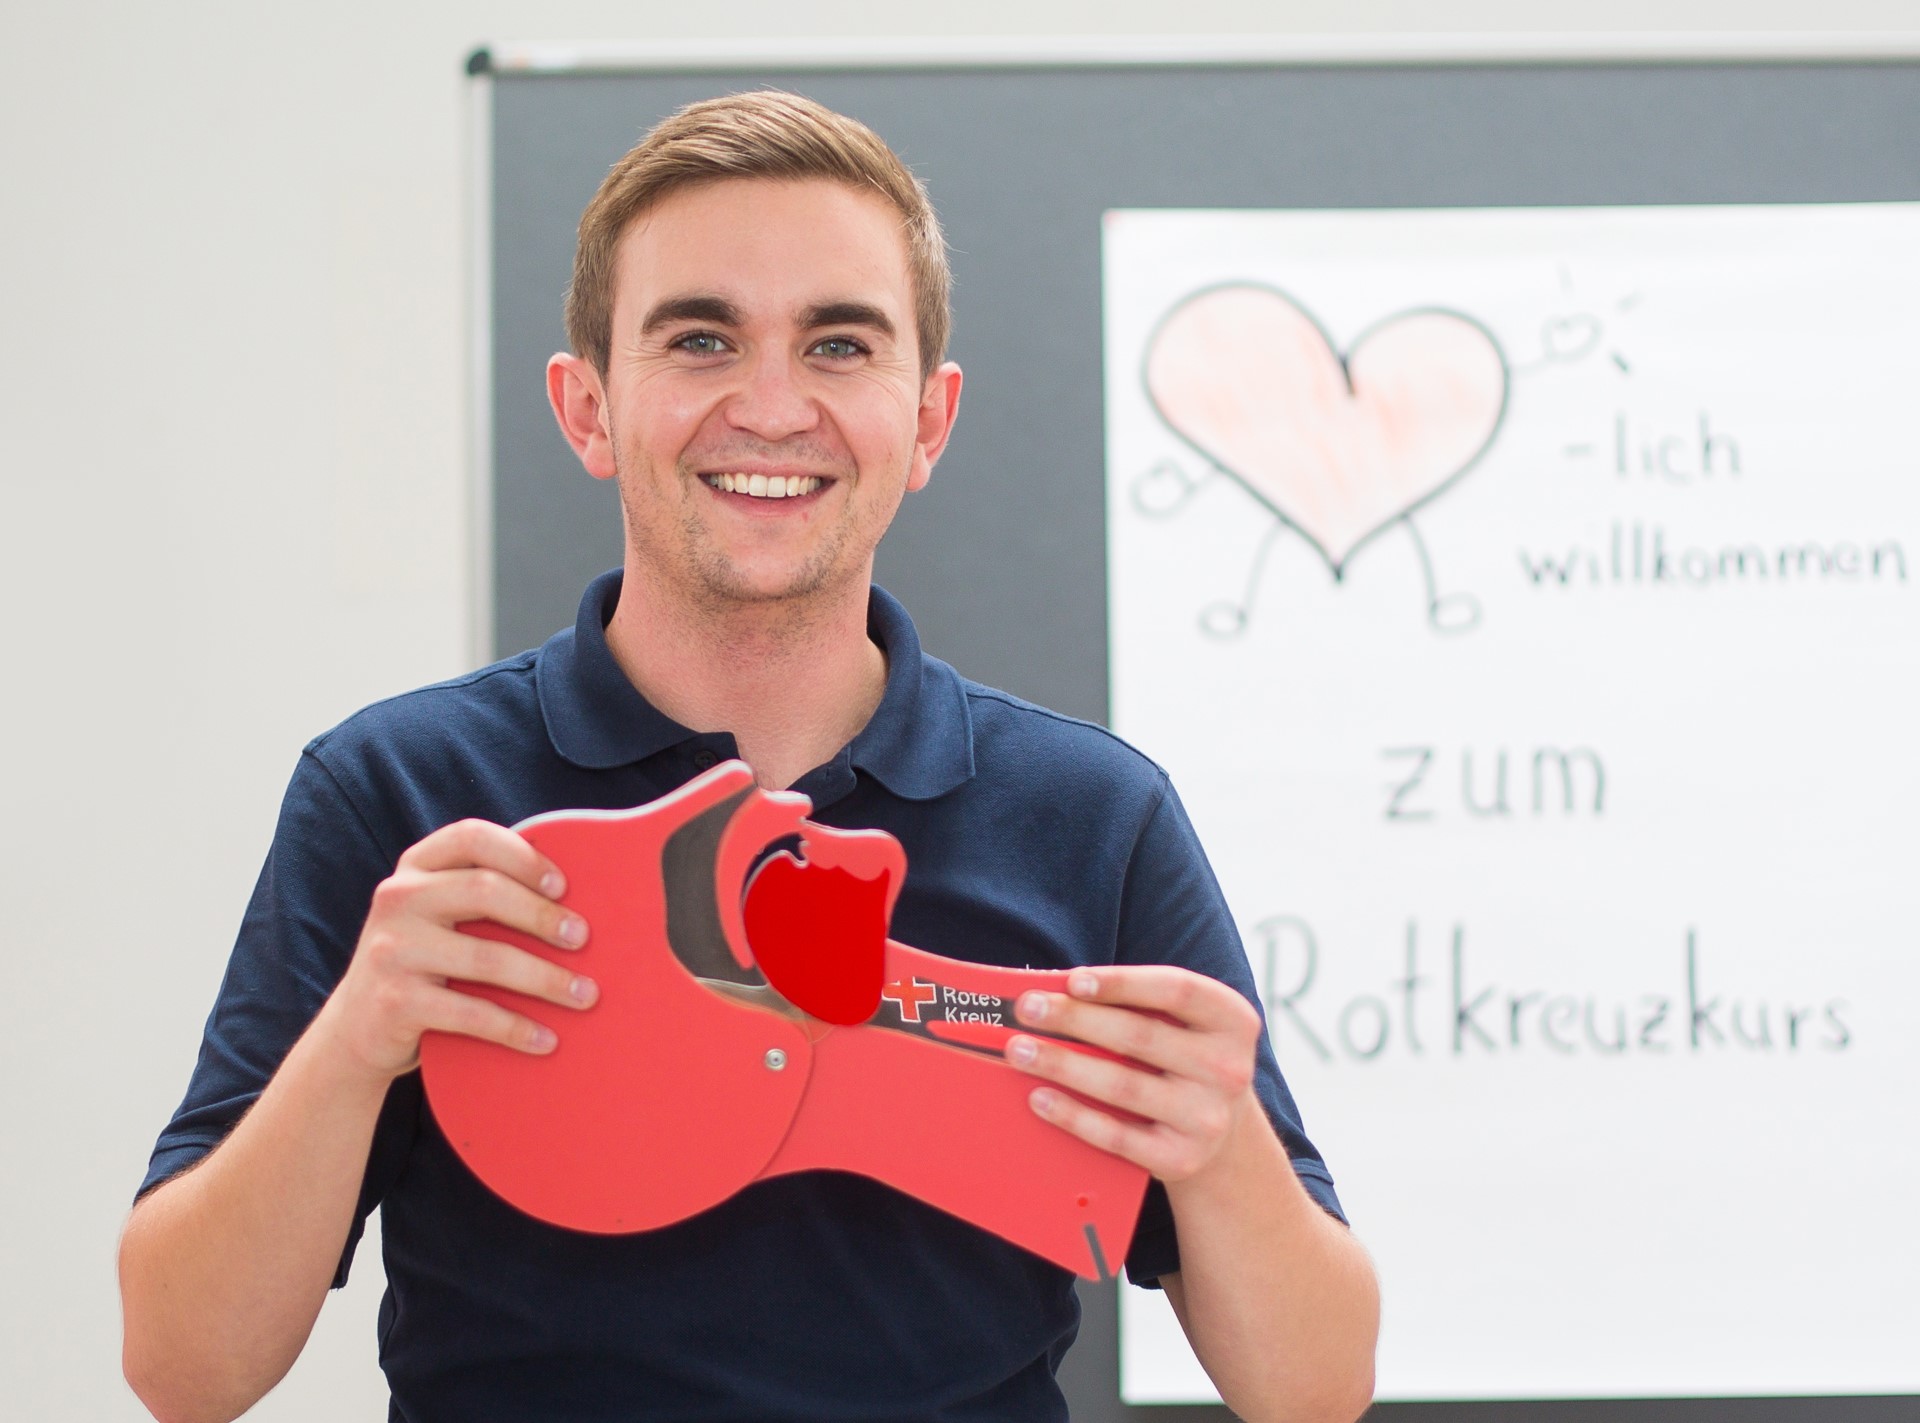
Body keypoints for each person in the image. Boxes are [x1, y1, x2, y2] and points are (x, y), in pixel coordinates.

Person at [119, 91, 1379, 1423]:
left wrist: (1223, 1146)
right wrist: (356, 1044)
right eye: (700, 339)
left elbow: (1313, 1393)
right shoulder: (398, 796)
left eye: (839, 345)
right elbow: (185, 1371)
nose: (772, 407)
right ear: (589, 409)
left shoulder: (1095, 819)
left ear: (929, 421)